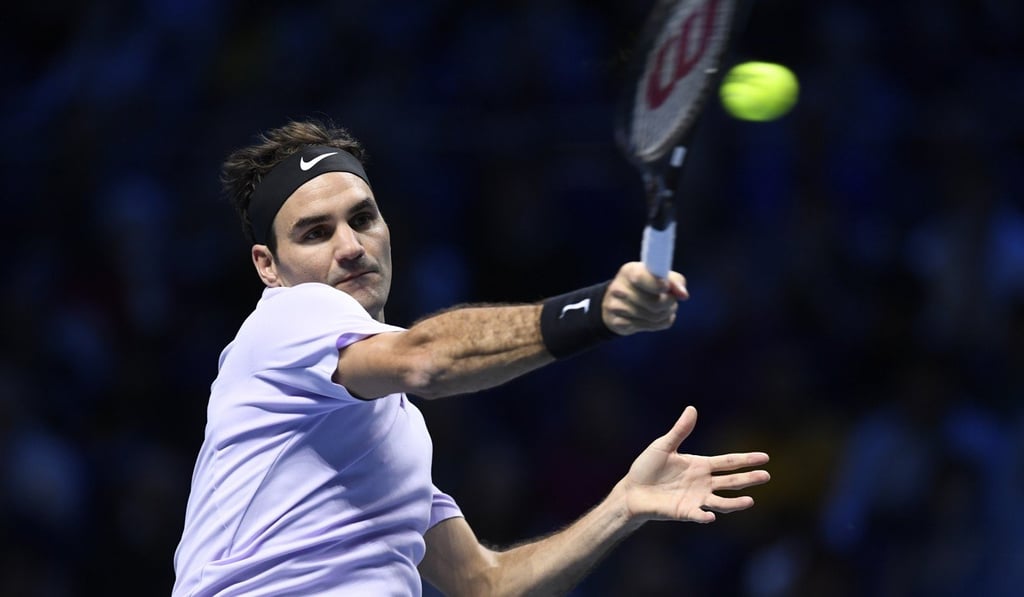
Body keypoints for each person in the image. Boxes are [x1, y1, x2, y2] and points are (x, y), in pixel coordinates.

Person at [172, 118, 770, 596]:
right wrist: (598, 311)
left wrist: (622, 508)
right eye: (315, 233)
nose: (351, 247)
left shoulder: (392, 431)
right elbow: (425, 357)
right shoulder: (285, 318)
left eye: (362, 218)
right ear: (267, 266)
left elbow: (488, 583)